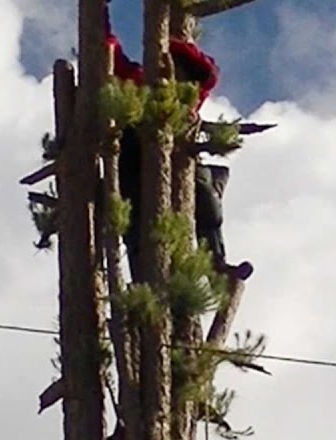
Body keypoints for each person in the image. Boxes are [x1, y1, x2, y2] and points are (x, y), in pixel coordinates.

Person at [106, 27, 253, 284]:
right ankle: (143, 283)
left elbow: (206, 78)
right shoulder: (138, 82)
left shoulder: (189, 96)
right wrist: (101, 16)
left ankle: (214, 260)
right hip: (132, 159)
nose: (183, 83)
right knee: (136, 224)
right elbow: (111, 52)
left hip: (175, 160)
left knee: (206, 199)